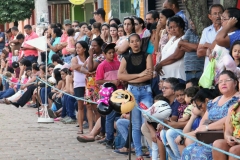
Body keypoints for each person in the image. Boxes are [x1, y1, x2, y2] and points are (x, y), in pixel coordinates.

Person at [181, 70, 239, 159]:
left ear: (235, 83)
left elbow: (229, 118)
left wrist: (208, 127)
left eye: (227, 80)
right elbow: (204, 120)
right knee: (188, 150)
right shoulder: (215, 100)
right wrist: (201, 132)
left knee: (203, 153)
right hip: (207, 136)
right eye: (220, 81)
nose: (223, 83)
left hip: (221, 135)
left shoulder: (237, 99)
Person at [118, 33, 153, 160]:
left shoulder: (147, 55)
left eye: (137, 41)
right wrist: (139, 75)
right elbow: (120, 76)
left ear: (140, 42)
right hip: (132, 92)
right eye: (132, 41)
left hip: (145, 91)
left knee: (147, 122)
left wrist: (132, 78)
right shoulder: (125, 58)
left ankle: (151, 150)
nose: (135, 43)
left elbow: (149, 75)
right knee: (136, 124)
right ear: (129, 43)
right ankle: (138, 153)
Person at [95, 43, 121, 148]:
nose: (111, 54)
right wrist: (112, 81)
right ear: (104, 54)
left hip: (119, 92)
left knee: (116, 116)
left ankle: (113, 137)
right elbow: (98, 80)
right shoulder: (102, 65)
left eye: (112, 52)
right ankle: (109, 138)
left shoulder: (119, 63)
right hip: (108, 94)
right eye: (109, 53)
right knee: (109, 116)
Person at [175, 89, 217, 154]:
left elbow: (200, 132)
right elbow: (185, 132)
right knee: (181, 140)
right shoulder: (197, 117)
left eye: (197, 106)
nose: (193, 109)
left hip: (211, 140)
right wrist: (192, 117)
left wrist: (183, 136)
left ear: (207, 101)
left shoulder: (211, 114)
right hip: (202, 137)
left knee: (187, 139)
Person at [81, 37, 105, 131]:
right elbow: (82, 68)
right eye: (92, 45)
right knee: (89, 106)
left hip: (96, 85)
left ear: (100, 46)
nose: (93, 48)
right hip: (88, 85)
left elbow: (90, 68)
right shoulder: (91, 57)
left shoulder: (101, 57)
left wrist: (91, 55)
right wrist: (87, 71)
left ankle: (98, 129)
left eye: (95, 46)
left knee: (96, 108)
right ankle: (91, 128)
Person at [155, 16, 186, 81]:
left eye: (175, 27)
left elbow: (176, 56)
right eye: (170, 27)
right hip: (166, 76)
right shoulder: (172, 38)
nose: (173, 29)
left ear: (181, 27)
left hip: (177, 76)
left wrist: (160, 64)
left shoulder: (184, 38)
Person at [197, 4, 224, 70]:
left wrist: (208, 45)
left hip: (222, 68)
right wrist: (210, 51)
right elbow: (199, 52)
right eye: (215, 14)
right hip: (208, 70)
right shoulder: (206, 31)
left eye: (220, 13)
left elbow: (225, 49)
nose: (218, 16)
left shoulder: (226, 29)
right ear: (210, 16)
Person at [71, 41, 89, 134]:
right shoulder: (75, 58)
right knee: (80, 106)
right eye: (76, 47)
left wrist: (81, 67)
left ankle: (91, 127)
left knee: (90, 106)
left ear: (85, 49)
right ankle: (80, 127)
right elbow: (74, 66)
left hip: (89, 84)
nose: (77, 49)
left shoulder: (89, 58)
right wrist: (84, 66)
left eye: (79, 47)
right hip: (78, 85)